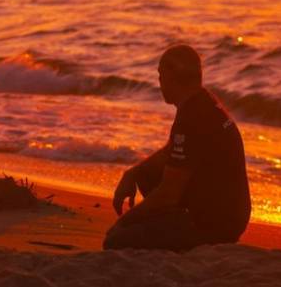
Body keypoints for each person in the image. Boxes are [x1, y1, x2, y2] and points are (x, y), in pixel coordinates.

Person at [104, 44, 251, 251]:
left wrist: (123, 222)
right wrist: (132, 174)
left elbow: (169, 194)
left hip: (217, 224)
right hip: (229, 212)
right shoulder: (202, 101)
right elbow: (171, 152)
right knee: (145, 174)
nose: (159, 82)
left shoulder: (192, 117)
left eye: (161, 75)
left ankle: (182, 231)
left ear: (172, 77)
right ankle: (169, 225)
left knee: (115, 240)